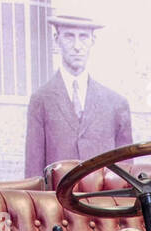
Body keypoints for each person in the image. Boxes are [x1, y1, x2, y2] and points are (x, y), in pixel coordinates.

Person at [25, 4, 132, 176]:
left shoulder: (116, 104)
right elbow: (33, 170)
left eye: (83, 37)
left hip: (101, 201)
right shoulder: (41, 100)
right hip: (57, 200)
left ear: (93, 41)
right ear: (56, 39)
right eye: (69, 36)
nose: (77, 46)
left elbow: (127, 170)